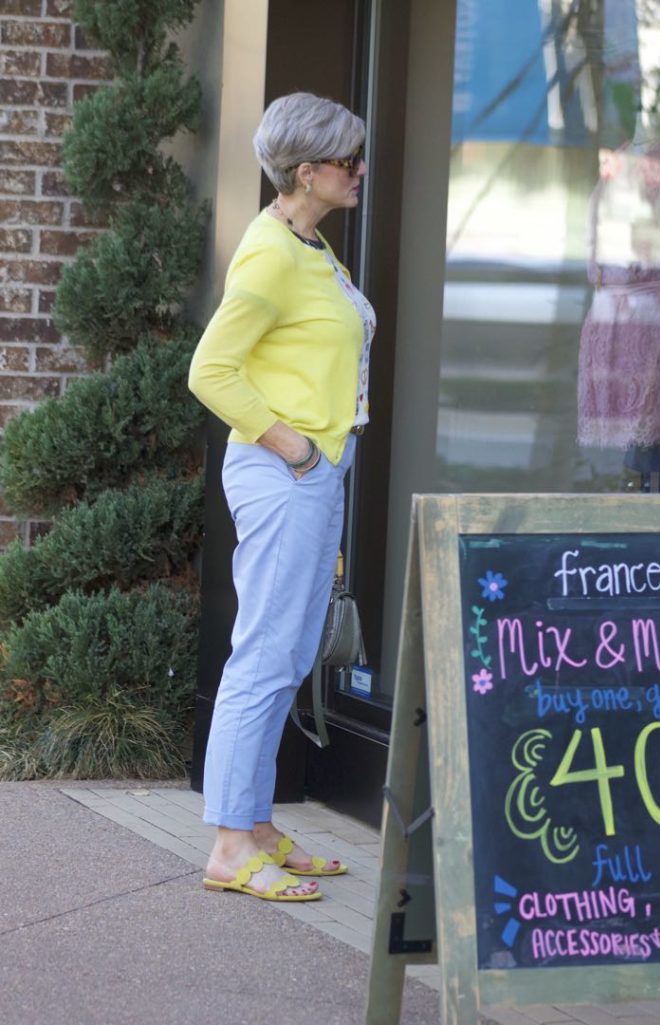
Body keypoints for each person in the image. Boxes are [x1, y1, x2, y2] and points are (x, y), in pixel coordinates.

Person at [188, 92, 375, 902]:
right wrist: (294, 446)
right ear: (307, 172)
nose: (360, 171)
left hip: (311, 474)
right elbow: (210, 370)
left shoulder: (308, 244)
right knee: (264, 656)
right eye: (348, 162)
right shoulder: (270, 253)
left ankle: (256, 825)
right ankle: (231, 844)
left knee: (290, 654)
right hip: (285, 473)